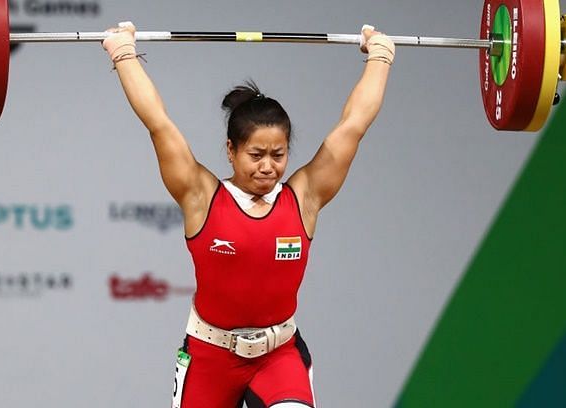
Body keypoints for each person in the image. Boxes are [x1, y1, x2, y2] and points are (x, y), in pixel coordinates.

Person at [102, 22, 394, 408]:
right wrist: (123, 53)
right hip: (210, 357)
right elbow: (158, 123)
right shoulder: (200, 195)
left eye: (278, 155)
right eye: (256, 155)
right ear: (231, 150)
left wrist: (381, 55)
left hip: (279, 356)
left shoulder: (304, 197)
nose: (268, 167)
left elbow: (353, 125)